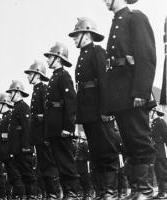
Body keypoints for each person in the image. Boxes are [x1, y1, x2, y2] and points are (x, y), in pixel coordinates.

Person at [102, 0, 157, 199]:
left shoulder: (136, 18)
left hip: (133, 92)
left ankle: (145, 190)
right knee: (128, 142)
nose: (105, 0)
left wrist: (141, 91)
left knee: (139, 139)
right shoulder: (116, 22)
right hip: (119, 95)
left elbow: (146, 56)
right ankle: (136, 189)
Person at [68, 17, 120, 200]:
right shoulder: (82, 56)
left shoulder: (97, 51)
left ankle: (110, 191)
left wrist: (106, 110)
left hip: (99, 110)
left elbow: (105, 82)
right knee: (96, 153)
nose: (74, 38)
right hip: (88, 111)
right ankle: (101, 191)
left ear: (87, 34)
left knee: (106, 150)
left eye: (76, 35)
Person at [43, 42, 80, 200]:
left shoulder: (64, 76)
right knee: (60, 162)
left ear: (57, 58)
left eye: (50, 57)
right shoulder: (55, 77)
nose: (47, 60)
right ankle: (67, 193)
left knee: (66, 161)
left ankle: (72, 193)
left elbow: (70, 103)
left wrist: (68, 127)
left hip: (61, 128)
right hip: (54, 127)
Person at [24, 61, 60, 199]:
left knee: (48, 165)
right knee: (43, 166)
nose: (28, 77)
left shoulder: (43, 89)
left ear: (37, 75)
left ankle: (54, 194)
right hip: (38, 135)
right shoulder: (36, 90)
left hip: (44, 134)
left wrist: (46, 135)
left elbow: (48, 113)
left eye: (30, 74)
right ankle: (47, 194)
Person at [5, 80, 37, 199]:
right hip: (18, 149)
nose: (9, 95)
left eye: (11, 92)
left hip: (24, 149)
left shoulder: (23, 107)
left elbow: (27, 129)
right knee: (22, 176)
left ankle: (32, 196)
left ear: (17, 93)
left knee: (28, 175)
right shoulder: (16, 108)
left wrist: (25, 147)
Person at [150, 107, 167, 199]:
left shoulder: (161, 122)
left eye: (150, 112)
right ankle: (161, 191)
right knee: (158, 171)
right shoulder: (153, 123)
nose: (149, 113)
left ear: (155, 112)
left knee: (162, 171)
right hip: (155, 151)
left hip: (161, 151)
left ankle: (165, 191)